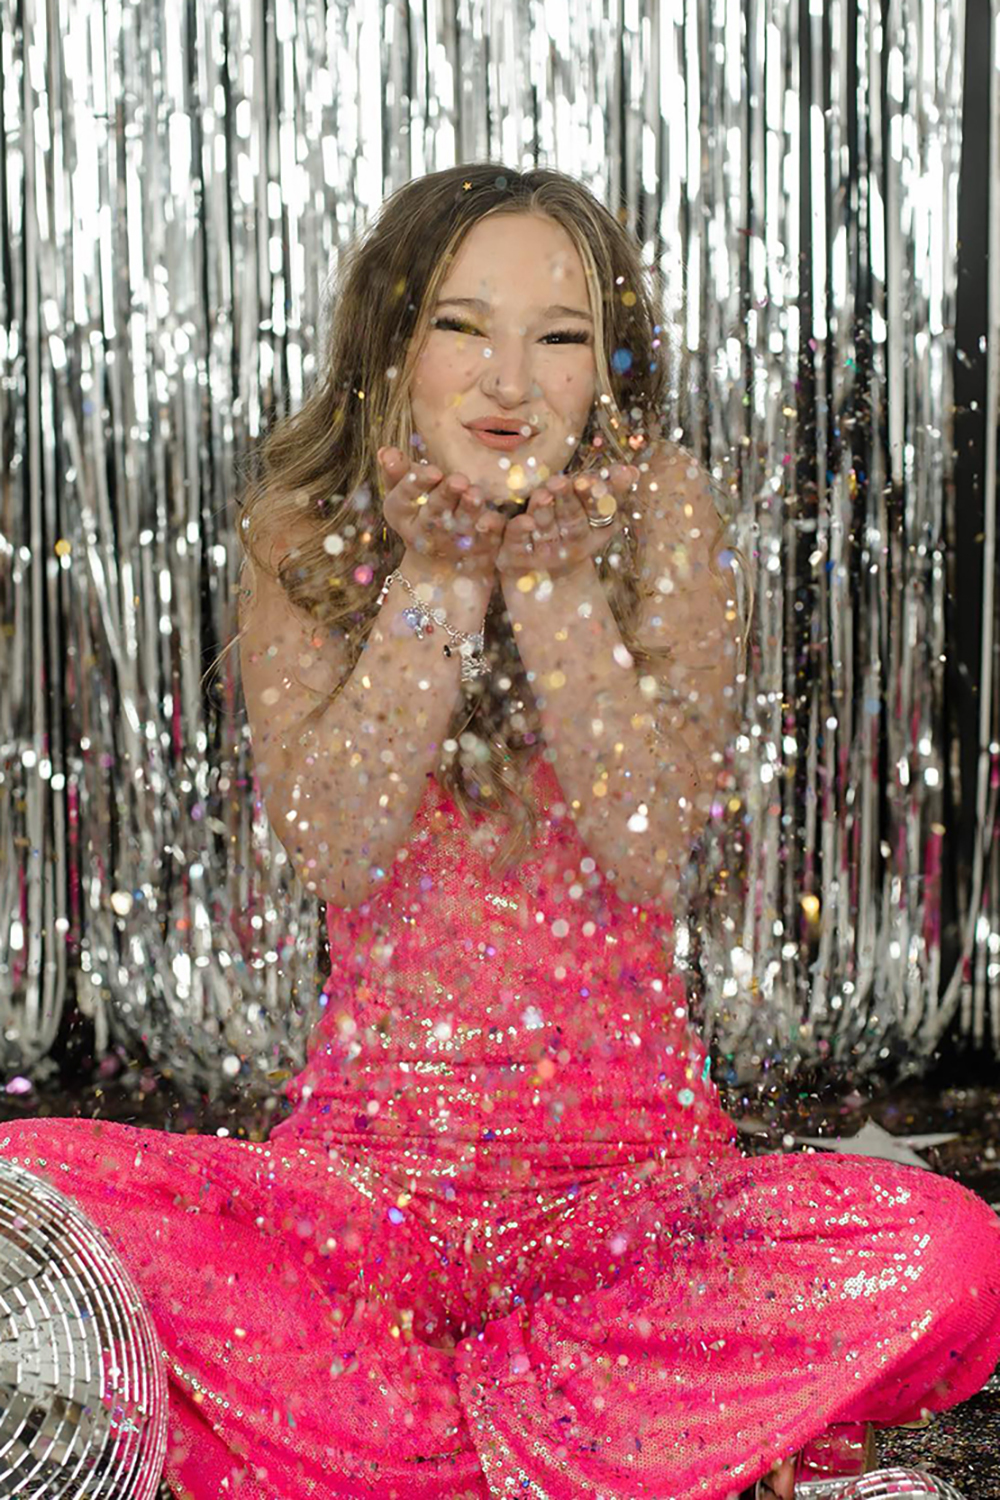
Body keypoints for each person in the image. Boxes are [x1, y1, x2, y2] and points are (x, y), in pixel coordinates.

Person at [2, 163, 998, 1500]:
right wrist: (439, 576)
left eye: (562, 337)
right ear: (390, 347)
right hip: (368, 1205)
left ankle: (399, 1443)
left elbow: (651, 847)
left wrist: (551, 582)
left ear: (610, 370)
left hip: (637, 1206)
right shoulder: (304, 534)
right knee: (22, 1184)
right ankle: (634, 1444)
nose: (507, 381)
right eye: (462, 326)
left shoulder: (666, 519)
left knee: (949, 1253)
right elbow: (339, 845)